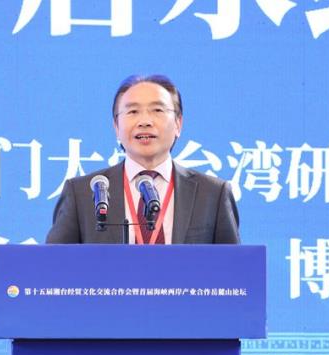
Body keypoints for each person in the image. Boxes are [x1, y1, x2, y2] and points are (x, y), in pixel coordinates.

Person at [46, 74, 240, 244]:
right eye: (133, 111)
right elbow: (53, 265)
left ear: (178, 124)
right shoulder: (82, 193)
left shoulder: (213, 194)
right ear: (116, 127)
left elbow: (233, 268)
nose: (145, 121)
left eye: (157, 110)